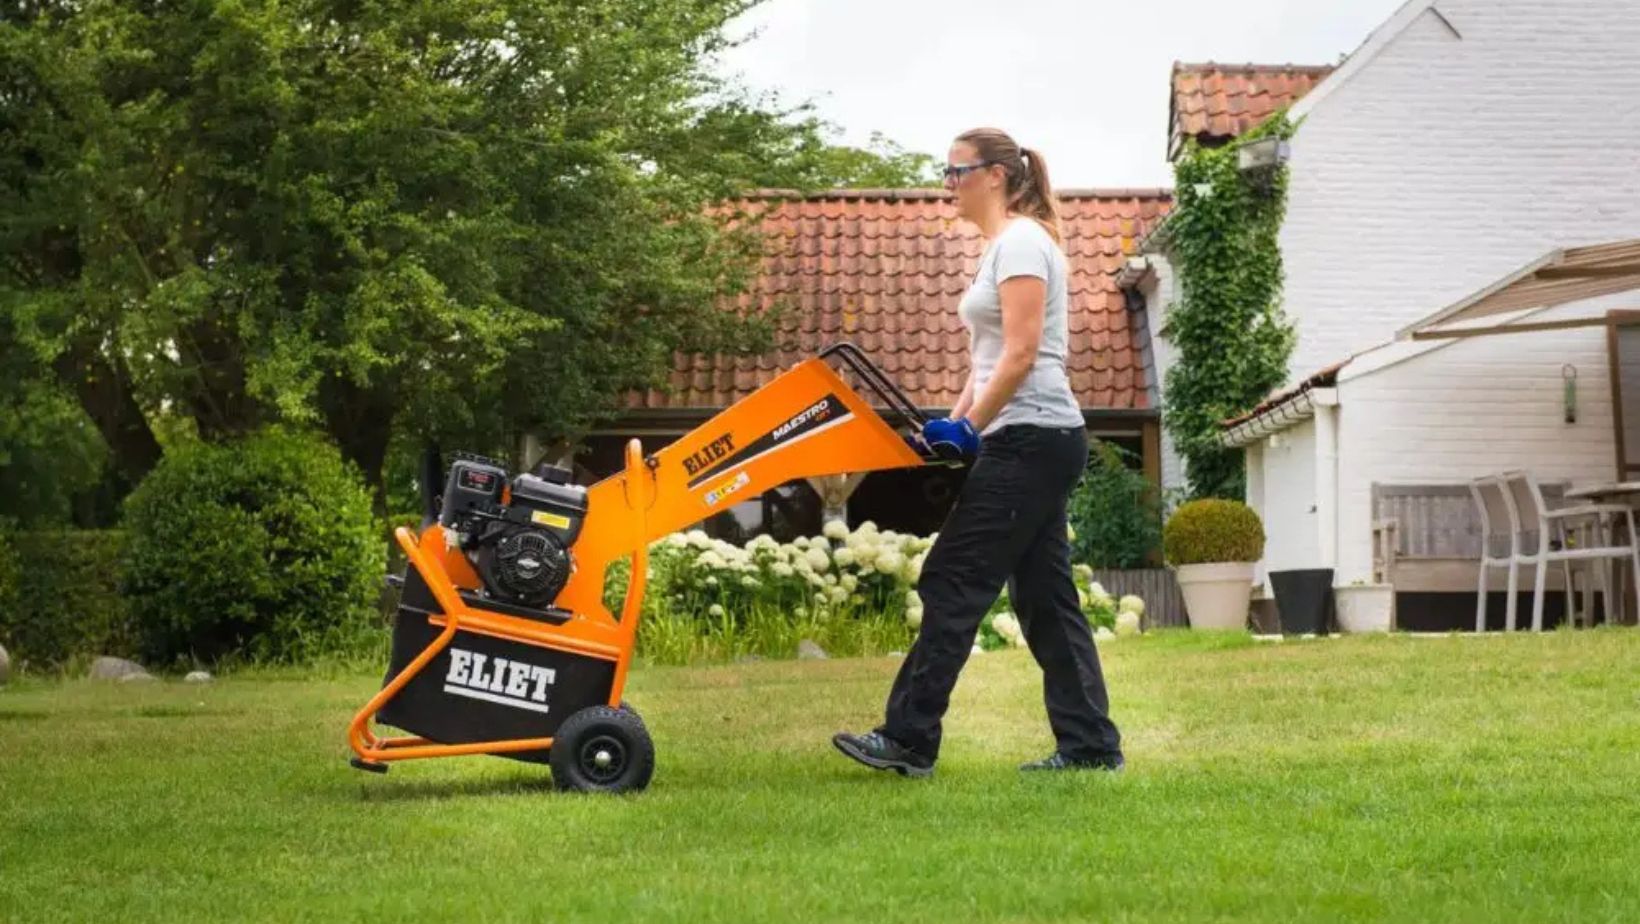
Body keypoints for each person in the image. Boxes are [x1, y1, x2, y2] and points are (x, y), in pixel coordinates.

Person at [832, 127, 1124, 778]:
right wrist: (952, 424)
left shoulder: (1021, 241)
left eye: (955, 171)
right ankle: (1091, 746)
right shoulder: (1002, 247)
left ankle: (908, 738)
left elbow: (1021, 355)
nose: (948, 184)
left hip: (1032, 438)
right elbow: (987, 361)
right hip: (1028, 436)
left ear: (995, 174)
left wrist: (975, 430)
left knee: (953, 580)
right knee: (1046, 600)